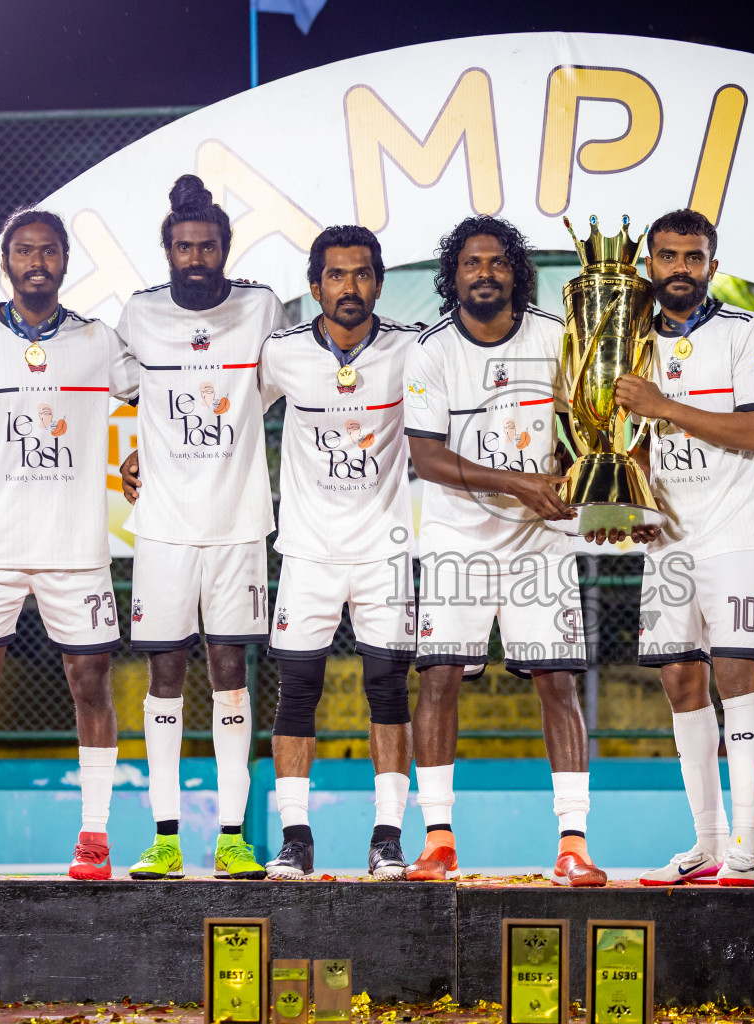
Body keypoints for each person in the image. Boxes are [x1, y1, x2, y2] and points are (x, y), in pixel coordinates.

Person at [0, 209, 132, 880]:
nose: (36, 261)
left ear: (66, 262)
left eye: (47, 251)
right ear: (5, 262)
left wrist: (139, 456)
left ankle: (94, 839)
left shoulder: (99, 341)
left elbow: (153, 399)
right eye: (23, 251)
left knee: (90, 682)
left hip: (75, 548)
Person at [402, 215, 605, 886]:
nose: (483, 273)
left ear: (517, 270)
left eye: (496, 262)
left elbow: (589, 429)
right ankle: (437, 839)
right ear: (452, 275)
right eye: (470, 263)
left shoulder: (557, 337)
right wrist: (516, 480)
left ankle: (573, 844)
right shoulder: (431, 350)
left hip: (538, 540)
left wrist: (583, 484)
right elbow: (426, 456)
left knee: (558, 681)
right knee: (438, 678)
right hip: (458, 536)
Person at [116, 174, 285, 880]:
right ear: (168, 249)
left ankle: (233, 836)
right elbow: (118, 391)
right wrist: (133, 452)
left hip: (239, 525)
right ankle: (163, 837)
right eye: (184, 246)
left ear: (224, 247)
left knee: (229, 675)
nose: (195, 257)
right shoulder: (140, 313)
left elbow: (295, 388)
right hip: (161, 528)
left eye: (207, 246)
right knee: (163, 674)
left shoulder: (262, 308)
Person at [610, 209, 754, 886]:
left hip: (732, 536)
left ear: (713, 261)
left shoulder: (744, 330)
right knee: (679, 680)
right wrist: (636, 500)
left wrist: (663, 403)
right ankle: (706, 842)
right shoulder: (625, 339)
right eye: (669, 255)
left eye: (694, 256)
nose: (681, 267)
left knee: (736, 679)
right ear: (649, 261)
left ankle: (745, 845)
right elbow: (628, 437)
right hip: (668, 543)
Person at [256, 226, 423, 879]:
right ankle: (296, 837)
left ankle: (387, 838)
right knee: (297, 691)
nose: (348, 286)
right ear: (314, 285)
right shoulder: (283, 353)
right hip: (308, 551)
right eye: (335, 275)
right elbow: (231, 416)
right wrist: (144, 457)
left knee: (387, 689)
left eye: (360, 274)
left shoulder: (412, 348)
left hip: (385, 551)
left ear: (378, 282)